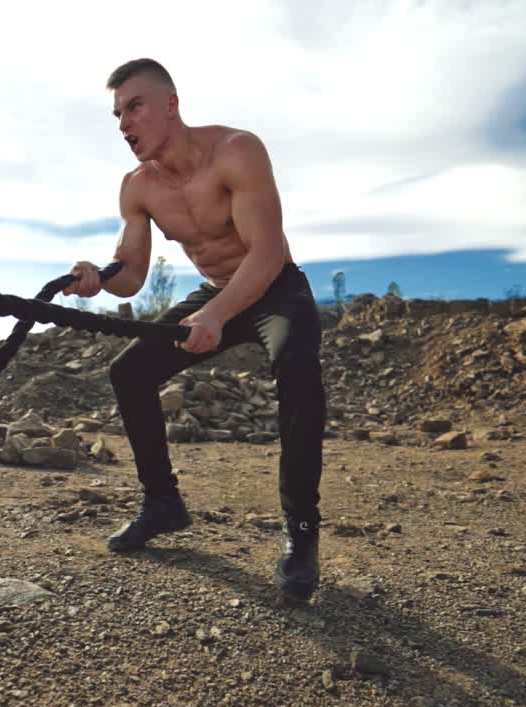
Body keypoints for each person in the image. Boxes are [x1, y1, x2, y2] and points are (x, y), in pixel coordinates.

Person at [63, 59, 326, 599]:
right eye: (117, 114)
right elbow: (132, 274)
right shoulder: (137, 187)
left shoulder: (236, 150)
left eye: (134, 106)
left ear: (171, 104)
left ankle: (301, 531)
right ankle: (162, 503)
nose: (124, 124)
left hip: (275, 284)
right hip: (215, 292)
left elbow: (268, 250)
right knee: (130, 371)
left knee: (297, 364)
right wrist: (98, 279)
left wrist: (216, 315)